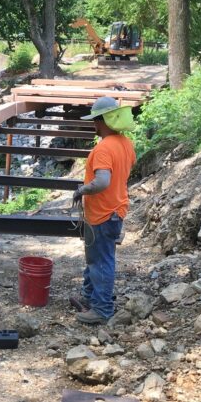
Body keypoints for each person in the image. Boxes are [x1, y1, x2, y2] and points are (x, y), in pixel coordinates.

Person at [71, 96, 137, 325]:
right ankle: (90, 297)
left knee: (101, 261)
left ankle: (102, 308)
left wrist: (82, 190)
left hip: (102, 213)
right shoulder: (125, 144)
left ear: (103, 121)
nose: (94, 126)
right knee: (95, 258)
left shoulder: (103, 149)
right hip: (114, 210)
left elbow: (102, 181)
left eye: (96, 121)